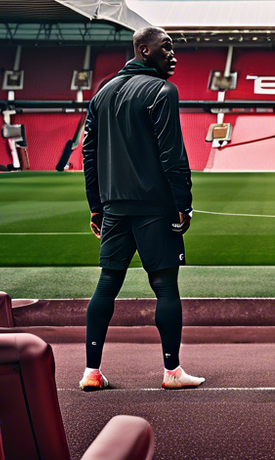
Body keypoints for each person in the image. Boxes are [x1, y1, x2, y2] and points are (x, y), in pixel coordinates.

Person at [79, 26, 203, 391]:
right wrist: (184, 204)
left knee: (107, 283)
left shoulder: (102, 93)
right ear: (145, 50)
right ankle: (172, 372)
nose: (174, 55)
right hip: (155, 206)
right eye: (166, 48)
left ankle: (91, 372)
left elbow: (89, 153)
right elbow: (172, 154)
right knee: (165, 286)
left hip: (115, 205)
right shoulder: (163, 91)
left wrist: (96, 206)